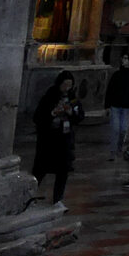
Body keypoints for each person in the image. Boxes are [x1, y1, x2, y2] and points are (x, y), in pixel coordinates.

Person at [31, 71, 84, 205]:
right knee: (40, 169)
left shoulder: (73, 99)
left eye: (70, 85)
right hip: (49, 139)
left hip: (64, 139)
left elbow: (80, 116)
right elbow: (38, 116)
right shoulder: (49, 97)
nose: (67, 88)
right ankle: (29, 195)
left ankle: (58, 199)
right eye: (65, 85)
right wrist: (53, 112)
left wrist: (71, 112)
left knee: (63, 171)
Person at [106, 52, 129, 161]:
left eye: (126, 58)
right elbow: (110, 90)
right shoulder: (117, 74)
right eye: (123, 58)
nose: (123, 60)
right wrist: (107, 106)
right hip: (115, 106)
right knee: (115, 129)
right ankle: (113, 151)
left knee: (123, 129)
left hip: (126, 106)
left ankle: (119, 147)